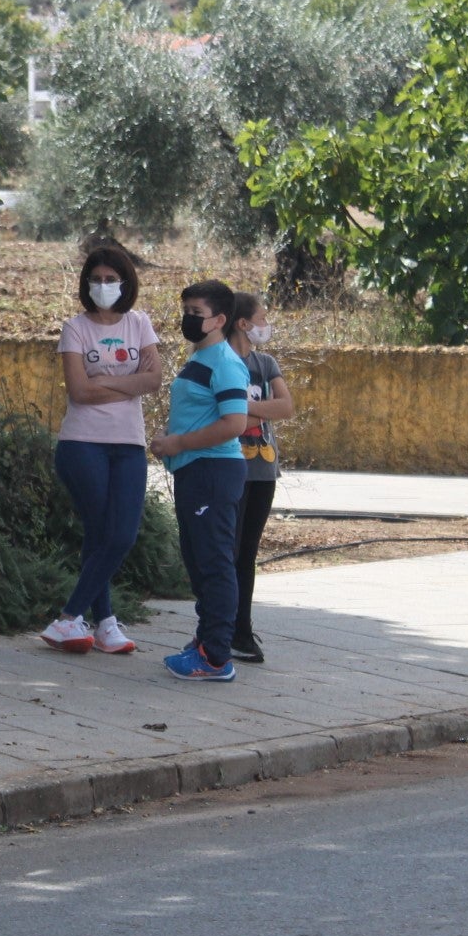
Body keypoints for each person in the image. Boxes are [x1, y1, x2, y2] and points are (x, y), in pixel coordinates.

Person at [39, 245, 163, 655]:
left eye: (112, 280)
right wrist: (128, 382)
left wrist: (103, 383)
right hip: (82, 444)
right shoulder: (75, 329)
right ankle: (91, 622)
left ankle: (86, 619)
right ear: (86, 283)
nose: (104, 286)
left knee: (117, 534)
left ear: (125, 283)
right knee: (104, 532)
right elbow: (79, 391)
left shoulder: (140, 323)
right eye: (97, 279)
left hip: (129, 445)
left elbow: (154, 380)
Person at [149, 279, 250, 682]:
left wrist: (177, 443)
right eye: (185, 311)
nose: (187, 319)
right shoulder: (201, 359)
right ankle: (207, 641)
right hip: (197, 471)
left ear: (220, 320)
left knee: (213, 562)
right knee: (199, 560)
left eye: (196, 313)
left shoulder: (225, 363)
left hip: (212, 471)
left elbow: (235, 423)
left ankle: (215, 657)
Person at [227, 292, 294, 664]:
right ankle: (219, 627)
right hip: (230, 466)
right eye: (262, 318)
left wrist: (243, 411)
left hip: (263, 468)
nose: (266, 325)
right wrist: (254, 413)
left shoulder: (265, 362)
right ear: (242, 323)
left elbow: (286, 405)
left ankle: (242, 629)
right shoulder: (218, 362)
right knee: (228, 551)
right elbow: (220, 416)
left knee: (247, 553)